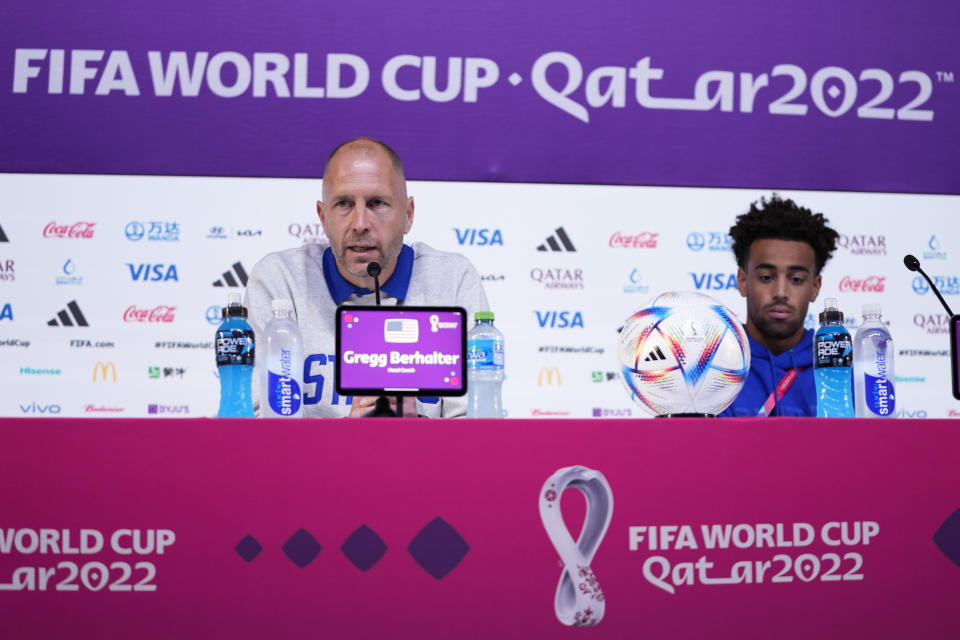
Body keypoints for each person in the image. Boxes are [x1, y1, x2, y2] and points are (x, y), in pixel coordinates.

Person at [244, 137, 490, 417]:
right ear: (323, 218)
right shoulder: (280, 282)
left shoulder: (453, 279)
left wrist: (416, 430)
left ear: (408, 215)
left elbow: (476, 427)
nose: (360, 224)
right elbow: (260, 427)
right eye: (344, 204)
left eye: (376, 203)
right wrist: (348, 437)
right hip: (318, 462)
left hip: (422, 460)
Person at [719, 194, 839, 417]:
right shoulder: (711, 369)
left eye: (796, 279)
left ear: (815, 287)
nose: (781, 293)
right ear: (743, 282)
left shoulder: (838, 373)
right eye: (766, 277)